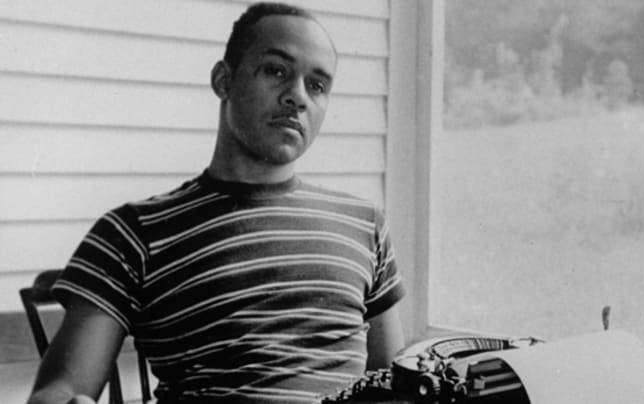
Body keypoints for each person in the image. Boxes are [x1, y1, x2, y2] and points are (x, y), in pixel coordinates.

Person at [26, 2, 405, 403]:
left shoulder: (364, 226)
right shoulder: (134, 232)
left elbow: (398, 383)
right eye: (276, 71)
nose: (298, 97)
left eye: (317, 85)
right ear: (223, 80)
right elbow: (62, 390)